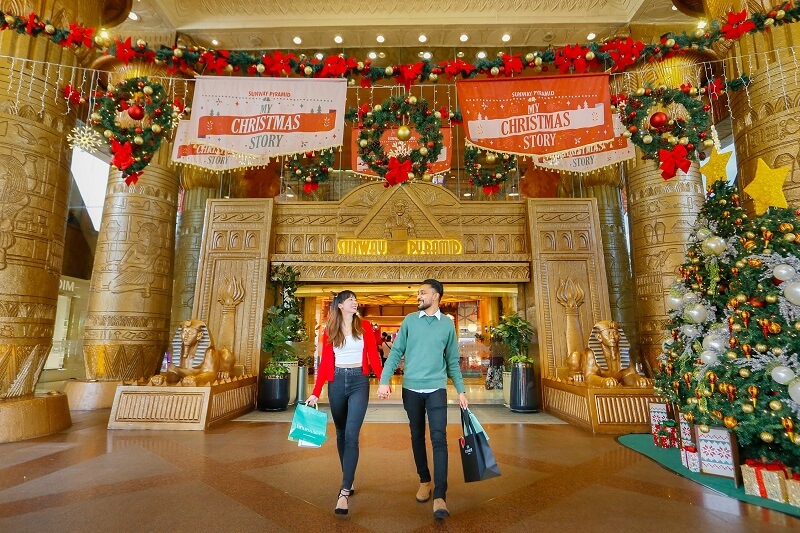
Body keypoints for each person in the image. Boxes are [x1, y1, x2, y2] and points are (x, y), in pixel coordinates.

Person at [377, 279, 468, 520]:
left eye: (423, 292)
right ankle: (424, 480)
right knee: (416, 434)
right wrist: (384, 380)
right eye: (418, 293)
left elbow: (451, 361)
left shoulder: (447, 326)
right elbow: (396, 351)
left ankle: (440, 495)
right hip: (411, 389)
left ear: (436, 296)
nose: (419, 296)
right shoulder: (409, 322)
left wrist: (461, 390)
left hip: (436, 388)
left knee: (439, 439)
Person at [306, 290, 383, 516]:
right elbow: (325, 362)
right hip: (336, 382)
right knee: (340, 433)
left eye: (355, 299)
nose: (354, 302)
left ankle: (344, 491)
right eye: (350, 299)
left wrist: (383, 380)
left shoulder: (365, 326)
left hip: (359, 381)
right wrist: (315, 392)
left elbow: (372, 355)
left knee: (351, 434)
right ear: (339, 305)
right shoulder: (330, 329)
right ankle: (348, 476)